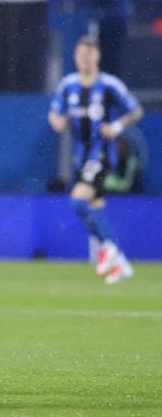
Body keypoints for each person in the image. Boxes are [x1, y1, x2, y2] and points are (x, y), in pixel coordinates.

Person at [48, 36, 143, 284]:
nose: (85, 58)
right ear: (75, 57)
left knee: (78, 201)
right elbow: (55, 112)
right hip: (81, 158)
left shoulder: (110, 85)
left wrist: (116, 126)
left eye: (90, 54)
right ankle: (120, 262)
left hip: (101, 154)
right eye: (81, 54)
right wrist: (56, 120)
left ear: (98, 56)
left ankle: (109, 248)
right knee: (96, 207)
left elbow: (136, 110)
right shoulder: (68, 85)